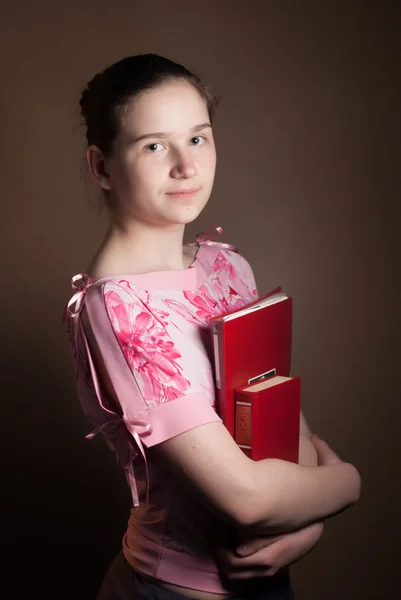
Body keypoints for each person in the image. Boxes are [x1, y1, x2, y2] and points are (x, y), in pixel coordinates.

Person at [63, 54, 361, 600]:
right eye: (154, 145)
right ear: (102, 167)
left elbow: (285, 436)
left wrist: (303, 529)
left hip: (267, 574)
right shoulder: (117, 307)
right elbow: (246, 496)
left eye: (198, 138)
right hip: (176, 591)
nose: (187, 166)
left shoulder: (225, 266)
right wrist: (347, 483)